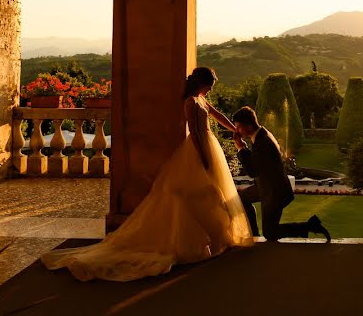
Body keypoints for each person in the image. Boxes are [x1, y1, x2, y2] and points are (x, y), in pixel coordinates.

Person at [41, 67, 253, 281]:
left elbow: (218, 116)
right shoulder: (190, 102)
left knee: (210, 193)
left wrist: (234, 130)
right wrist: (202, 156)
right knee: (201, 193)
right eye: (209, 86)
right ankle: (201, 240)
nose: (210, 90)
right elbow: (195, 132)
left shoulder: (201, 100)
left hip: (209, 145)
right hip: (198, 149)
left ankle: (213, 238)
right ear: (201, 83)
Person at [232, 107, 331, 242]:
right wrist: (245, 149)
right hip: (264, 187)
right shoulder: (261, 135)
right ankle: (253, 234)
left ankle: (309, 226)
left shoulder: (263, 142)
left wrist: (241, 149)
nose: (236, 131)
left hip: (275, 193)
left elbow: (252, 171)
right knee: (240, 200)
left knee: (270, 233)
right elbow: (259, 164)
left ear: (248, 126)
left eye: (238, 127)